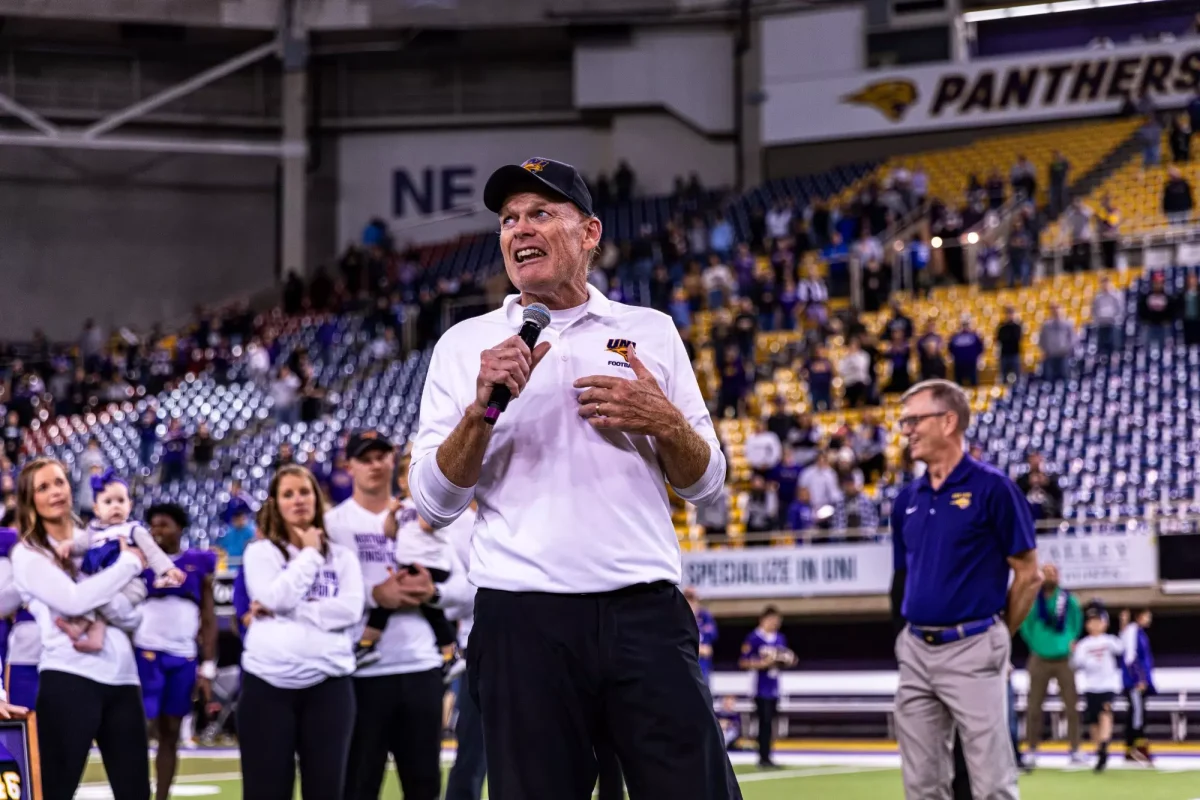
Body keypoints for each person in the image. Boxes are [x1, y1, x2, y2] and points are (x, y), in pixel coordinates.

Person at [408, 156, 740, 799]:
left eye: (540, 213)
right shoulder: (464, 347)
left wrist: (666, 423)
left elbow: (708, 486)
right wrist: (480, 412)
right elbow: (435, 501)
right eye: (508, 219)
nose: (519, 229)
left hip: (643, 613)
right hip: (521, 622)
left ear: (589, 232)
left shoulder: (651, 332)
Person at [889, 380, 1042, 800]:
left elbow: (1029, 574)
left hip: (974, 644)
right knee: (921, 787)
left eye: (915, 420)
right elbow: (903, 579)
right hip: (916, 649)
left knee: (992, 785)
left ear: (949, 421)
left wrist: (996, 634)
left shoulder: (993, 488)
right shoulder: (906, 500)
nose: (907, 431)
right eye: (905, 422)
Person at [12, 457, 152, 800]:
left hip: (123, 680)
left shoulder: (99, 537)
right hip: (68, 680)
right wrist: (129, 564)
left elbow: (135, 617)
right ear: (30, 499)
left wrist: (103, 601)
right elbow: (73, 601)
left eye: (59, 482)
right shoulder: (27, 554)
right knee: (56, 791)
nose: (55, 491)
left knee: (136, 793)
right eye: (43, 487)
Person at [325, 430, 446, 800]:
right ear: (349, 467)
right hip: (361, 671)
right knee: (359, 783)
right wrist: (373, 594)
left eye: (382, 456)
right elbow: (322, 591)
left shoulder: (420, 515)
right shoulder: (333, 524)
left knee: (424, 782)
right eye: (366, 458)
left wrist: (433, 592)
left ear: (394, 460)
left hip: (420, 663)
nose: (376, 465)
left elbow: (462, 581)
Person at [238, 464, 363, 800]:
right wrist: (308, 553)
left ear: (317, 498)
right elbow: (273, 596)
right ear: (276, 504)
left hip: (330, 687)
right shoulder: (259, 553)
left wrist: (289, 610)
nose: (298, 500)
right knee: (265, 792)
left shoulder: (343, 557)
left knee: (327, 791)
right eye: (288, 494)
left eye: (304, 492)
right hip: (266, 686)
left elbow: (350, 610)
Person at [133, 503, 219, 800]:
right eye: (152, 525)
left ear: (180, 529)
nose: (156, 531)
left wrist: (208, 666)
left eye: (164, 525)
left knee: (170, 731)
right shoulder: (139, 563)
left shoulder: (196, 563)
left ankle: (162, 796)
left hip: (182, 656)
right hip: (145, 654)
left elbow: (208, 618)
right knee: (138, 726)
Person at [56, 469, 184, 653]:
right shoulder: (93, 531)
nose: (115, 506)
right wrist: (67, 546)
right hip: (105, 581)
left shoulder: (132, 529)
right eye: (108, 502)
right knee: (95, 602)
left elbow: (152, 551)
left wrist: (166, 569)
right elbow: (80, 545)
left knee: (102, 601)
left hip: (129, 585)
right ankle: (91, 636)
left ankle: (109, 629)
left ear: (130, 506)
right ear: (96, 509)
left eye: (121, 501)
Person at [355, 455, 459, 676]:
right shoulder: (403, 506)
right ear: (402, 481)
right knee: (429, 611)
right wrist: (393, 512)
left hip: (430, 565)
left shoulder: (432, 503)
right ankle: (450, 653)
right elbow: (389, 533)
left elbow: (427, 525)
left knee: (387, 603)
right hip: (411, 563)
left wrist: (424, 497)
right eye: (408, 477)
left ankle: (366, 645)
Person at [1019, 564, 1084, 766]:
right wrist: (1035, 643)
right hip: (1039, 658)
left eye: (1054, 573)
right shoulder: (1032, 600)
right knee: (1034, 706)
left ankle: (1075, 749)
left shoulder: (1067, 600)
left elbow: (1077, 622)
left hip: (1064, 658)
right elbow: (1025, 625)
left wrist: (1070, 640)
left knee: (1071, 705)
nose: (1050, 576)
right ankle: (1031, 749)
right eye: (1046, 573)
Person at [739, 606, 794, 769]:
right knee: (764, 721)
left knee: (771, 723)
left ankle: (768, 755)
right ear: (763, 620)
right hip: (759, 687)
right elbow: (743, 662)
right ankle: (763, 757)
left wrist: (787, 660)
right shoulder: (754, 638)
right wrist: (762, 663)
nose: (775, 624)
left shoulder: (779, 638)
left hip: (774, 686)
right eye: (772, 620)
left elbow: (785, 657)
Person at [1071, 605, 1123, 772]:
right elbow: (1076, 664)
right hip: (1091, 686)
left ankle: (1105, 745)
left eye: (1098, 621)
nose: (1094, 624)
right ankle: (1099, 749)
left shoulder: (1109, 641)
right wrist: (1075, 653)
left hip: (1107, 685)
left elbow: (1122, 649)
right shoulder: (1084, 645)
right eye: (1091, 621)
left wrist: (1123, 625)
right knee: (1093, 721)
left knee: (1105, 713)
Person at [1122, 608, 1155, 764]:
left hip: (1141, 680)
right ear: (1139, 616)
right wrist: (1138, 679)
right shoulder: (1132, 631)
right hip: (1135, 682)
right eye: (1147, 615)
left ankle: (1137, 746)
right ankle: (1133, 748)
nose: (1149, 618)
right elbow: (1130, 657)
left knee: (1139, 713)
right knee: (1136, 714)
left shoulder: (1140, 632)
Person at [685, 587, 718, 684]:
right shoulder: (678, 618)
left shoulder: (705, 616)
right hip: (684, 669)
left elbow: (709, 647)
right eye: (688, 599)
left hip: (702, 669)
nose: (691, 602)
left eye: (693, 599)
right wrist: (697, 649)